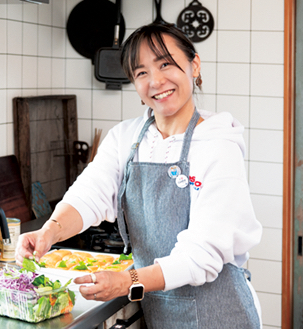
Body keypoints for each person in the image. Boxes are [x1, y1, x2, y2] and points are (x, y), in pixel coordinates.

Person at [15, 22, 262, 329]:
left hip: (220, 314)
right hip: (161, 313)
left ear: (194, 65)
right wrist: (48, 233)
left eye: (165, 64)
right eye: (141, 72)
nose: (155, 81)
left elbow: (203, 254)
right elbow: (89, 194)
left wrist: (127, 280)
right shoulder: (126, 138)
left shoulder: (218, 144)